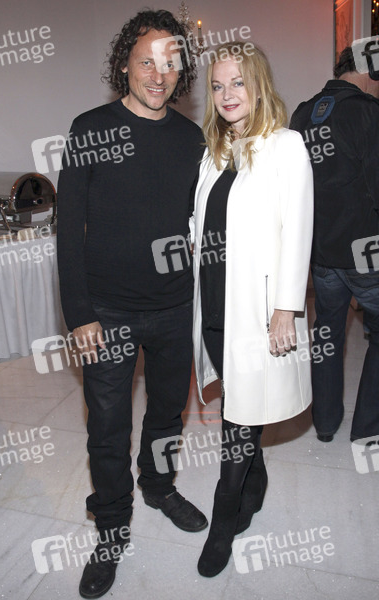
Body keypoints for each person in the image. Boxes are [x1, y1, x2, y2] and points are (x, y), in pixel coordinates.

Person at [57, 9, 207, 598]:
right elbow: (69, 231)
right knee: (108, 427)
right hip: (108, 311)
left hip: (174, 306)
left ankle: (160, 486)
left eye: (170, 64)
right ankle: (112, 526)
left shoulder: (191, 138)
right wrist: (80, 314)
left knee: (167, 415)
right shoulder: (89, 128)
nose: (158, 75)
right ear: (125, 63)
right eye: (147, 61)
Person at [192, 41, 314, 577]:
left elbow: (298, 230)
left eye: (237, 82)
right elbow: (203, 222)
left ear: (259, 85)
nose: (227, 95)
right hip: (215, 302)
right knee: (238, 400)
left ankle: (224, 516)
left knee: (239, 416)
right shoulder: (214, 151)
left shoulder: (285, 145)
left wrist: (286, 307)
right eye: (217, 86)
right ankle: (255, 479)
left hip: (257, 309)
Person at [290, 46, 379, 443]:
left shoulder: (302, 113)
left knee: (326, 331)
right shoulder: (369, 113)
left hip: (321, 253)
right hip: (366, 255)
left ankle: (325, 423)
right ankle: (368, 430)